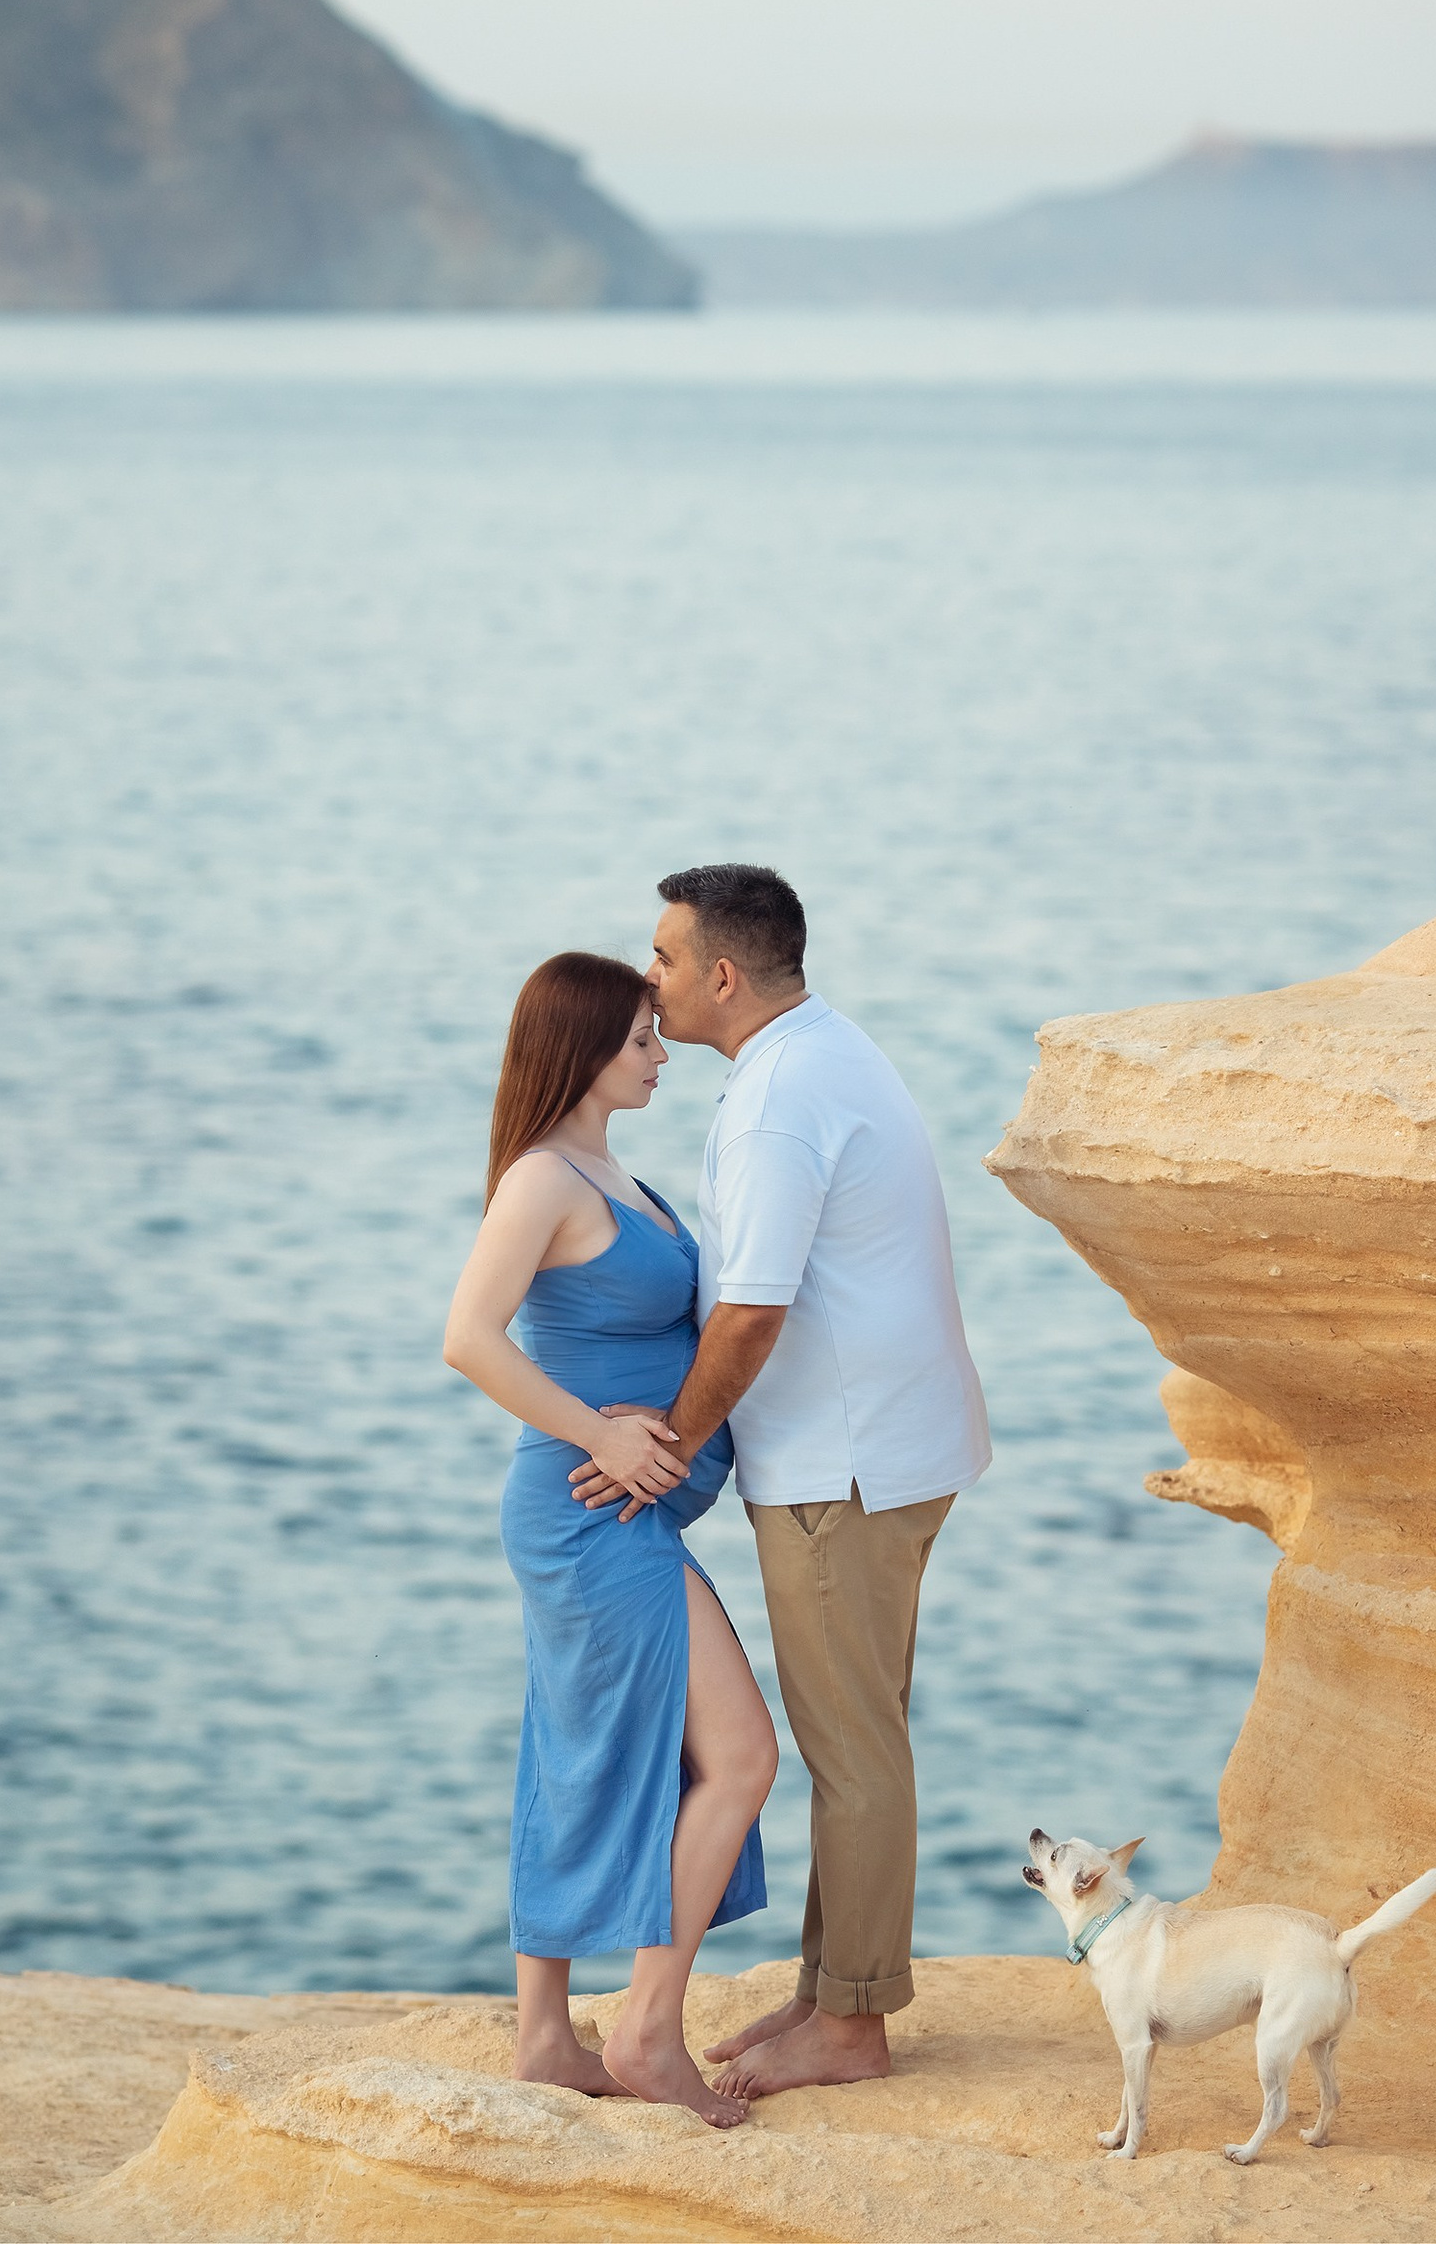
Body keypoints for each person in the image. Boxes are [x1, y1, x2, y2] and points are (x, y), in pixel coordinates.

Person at [570, 865, 990, 2099]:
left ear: (719, 975)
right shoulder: (827, 1049)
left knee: (850, 1748)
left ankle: (852, 2029)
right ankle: (829, 1992)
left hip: (842, 1468)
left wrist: (673, 1447)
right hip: (899, 1444)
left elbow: (751, 1316)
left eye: (660, 956)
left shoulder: (768, 1105)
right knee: (859, 1731)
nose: (644, 976)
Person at [442, 951, 777, 2129]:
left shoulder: (606, 1169)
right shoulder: (541, 1178)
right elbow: (469, 1339)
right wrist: (609, 1434)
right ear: (584, 1048)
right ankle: (645, 2031)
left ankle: (544, 2035)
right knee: (739, 1758)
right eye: (641, 1035)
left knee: (571, 1747)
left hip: (608, 1508)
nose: (661, 1051)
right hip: (587, 1509)